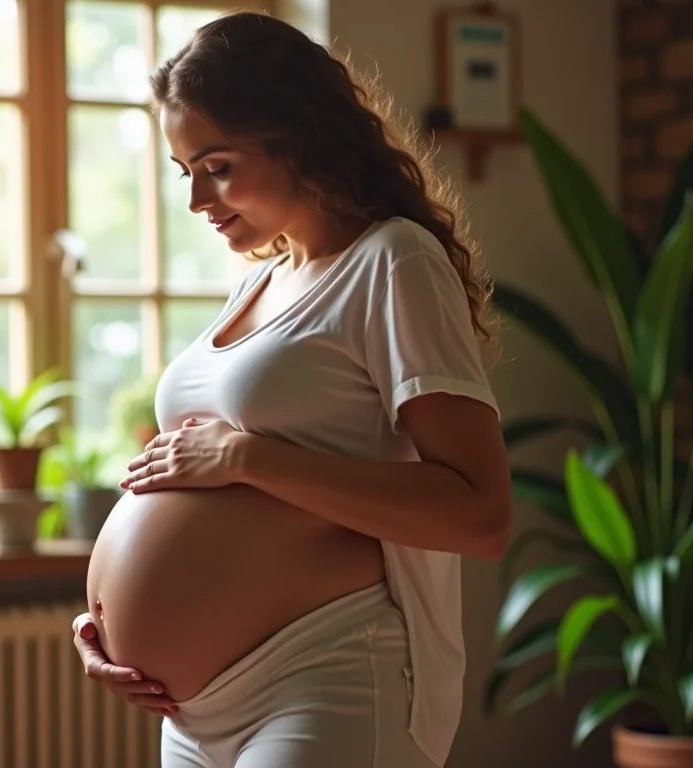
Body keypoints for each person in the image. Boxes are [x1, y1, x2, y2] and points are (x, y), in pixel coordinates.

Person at [70, 10, 513, 768]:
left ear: (296, 136)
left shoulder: (392, 261)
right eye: (186, 173)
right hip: (193, 711)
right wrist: (105, 626)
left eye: (218, 166)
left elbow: (481, 515)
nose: (197, 202)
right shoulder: (259, 284)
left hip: (327, 677)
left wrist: (247, 459)